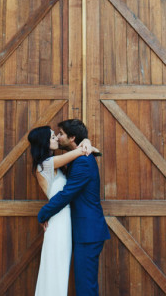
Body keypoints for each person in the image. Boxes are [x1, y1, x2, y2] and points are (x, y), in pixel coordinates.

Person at [38, 119, 110, 296]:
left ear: (72, 137)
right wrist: (86, 143)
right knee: (83, 284)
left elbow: (67, 193)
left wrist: (43, 213)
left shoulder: (83, 162)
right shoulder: (76, 158)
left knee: (86, 287)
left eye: (61, 134)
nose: (58, 137)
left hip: (88, 232)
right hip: (82, 230)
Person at [28, 125, 97, 296]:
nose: (56, 139)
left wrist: (86, 141)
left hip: (65, 219)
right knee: (55, 267)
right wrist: (86, 143)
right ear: (44, 142)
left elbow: (78, 152)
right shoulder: (46, 164)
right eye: (52, 137)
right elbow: (78, 152)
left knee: (60, 266)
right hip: (58, 220)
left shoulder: (56, 162)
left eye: (57, 135)